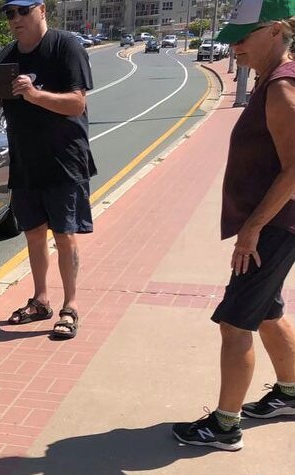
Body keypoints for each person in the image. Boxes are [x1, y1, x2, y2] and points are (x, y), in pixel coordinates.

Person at [171, 1, 295, 451]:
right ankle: (289, 392)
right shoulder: (271, 80)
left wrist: (252, 229)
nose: (233, 47)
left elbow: (294, 170)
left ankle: (225, 427)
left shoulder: (281, 88)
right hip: (275, 224)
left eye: (243, 37)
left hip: (274, 226)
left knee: (234, 323)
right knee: (266, 312)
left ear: (277, 30)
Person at [0, 0, 96, 339]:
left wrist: (34, 94)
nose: (16, 19)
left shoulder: (65, 47)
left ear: (41, 9)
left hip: (64, 159)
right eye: (10, 14)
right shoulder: (6, 57)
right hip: (25, 162)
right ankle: (41, 300)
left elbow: (77, 103)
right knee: (33, 235)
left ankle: (70, 307)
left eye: (22, 11)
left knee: (64, 235)